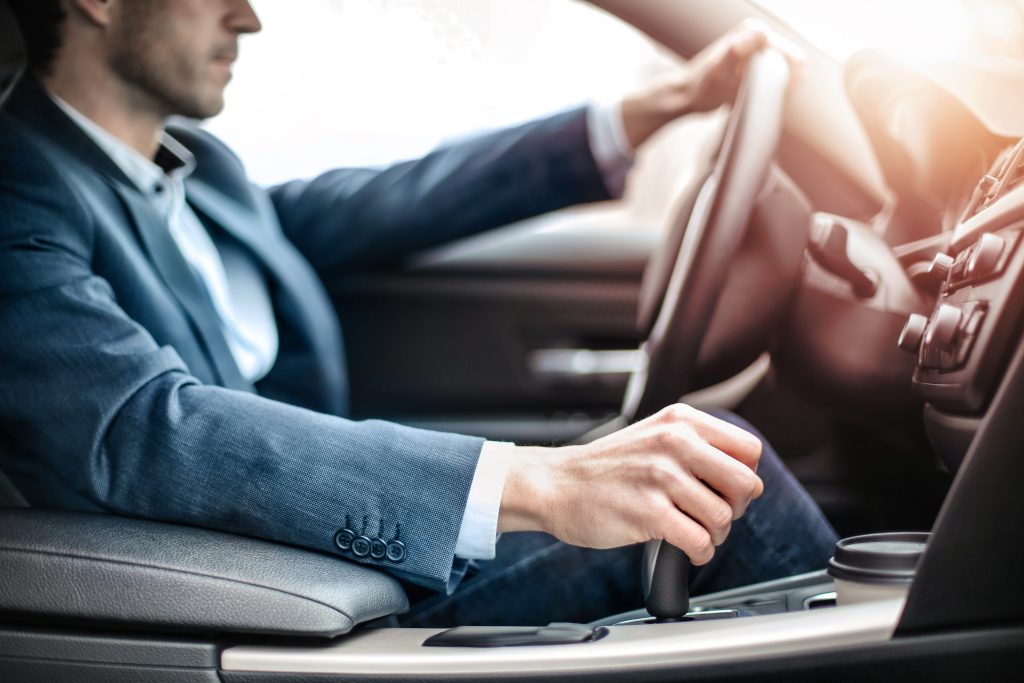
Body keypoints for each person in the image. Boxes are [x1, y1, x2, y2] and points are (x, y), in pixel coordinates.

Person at [0, 0, 836, 626]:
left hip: (327, 562)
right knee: (732, 484)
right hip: (263, 603)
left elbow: (383, 202)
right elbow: (143, 428)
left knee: (710, 462)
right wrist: (539, 481)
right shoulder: (17, 192)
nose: (248, 17)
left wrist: (647, 114)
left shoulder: (198, 169)